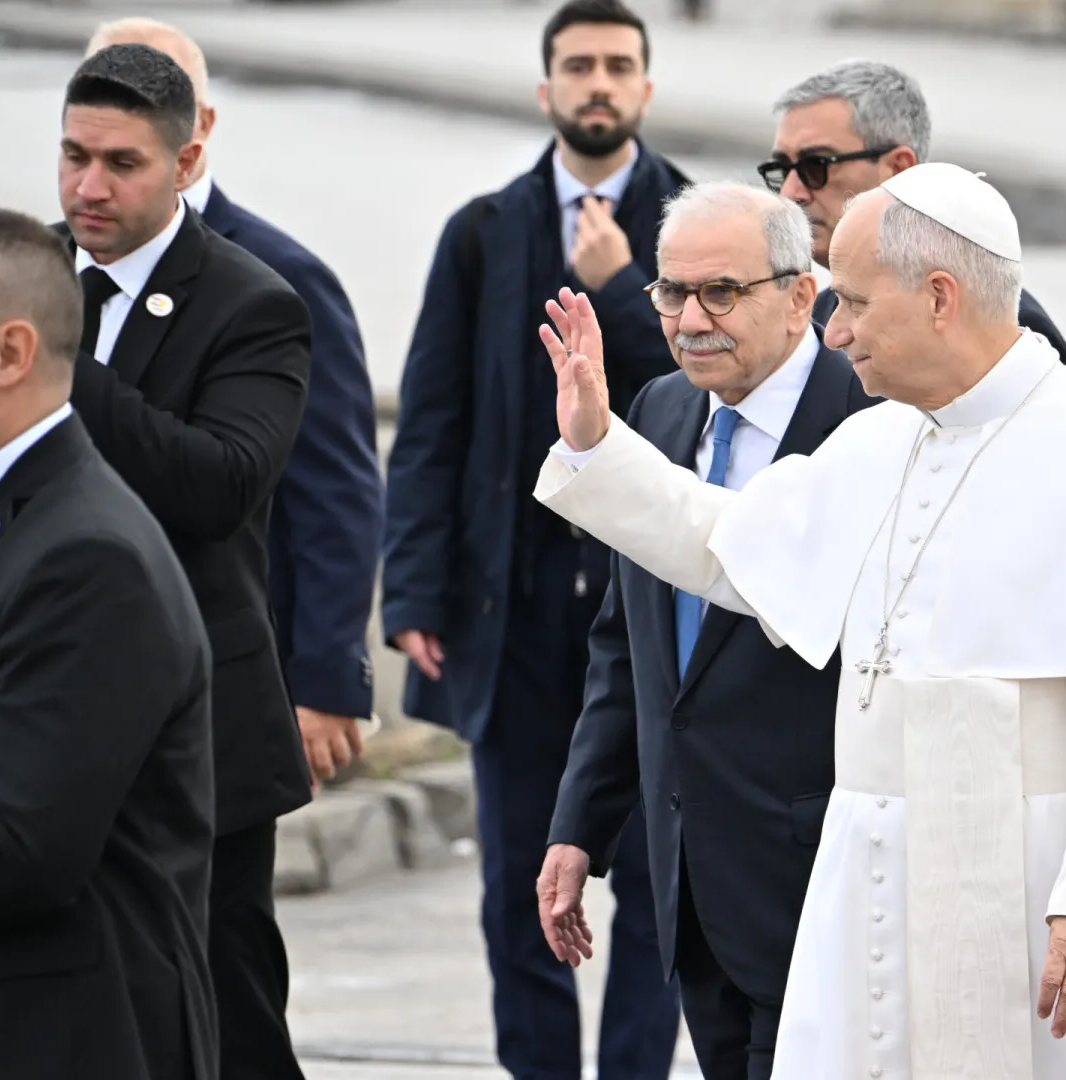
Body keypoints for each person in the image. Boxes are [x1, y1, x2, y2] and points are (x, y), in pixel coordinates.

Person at [533, 162, 1066, 1078]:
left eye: (852, 301)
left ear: (939, 297)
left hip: (1036, 889)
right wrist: (599, 445)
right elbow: (733, 547)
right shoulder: (885, 435)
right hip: (874, 880)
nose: (836, 328)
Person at [379, 1, 682, 1075]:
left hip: (647, 614)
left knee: (653, 886)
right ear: (544, 88)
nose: (598, 83)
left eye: (617, 66)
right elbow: (434, 420)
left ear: (646, 88)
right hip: (509, 614)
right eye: (577, 66)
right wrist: (413, 592)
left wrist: (619, 291)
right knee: (519, 886)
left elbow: (704, 399)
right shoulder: (484, 229)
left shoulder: (692, 225)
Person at [536, 182, 876, 1080]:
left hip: (823, 881)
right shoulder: (654, 411)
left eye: (720, 292)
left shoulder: (869, 425)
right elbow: (627, 649)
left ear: (803, 294)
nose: (690, 319)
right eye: (670, 292)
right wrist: (580, 825)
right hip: (690, 880)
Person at [57, 44, 316, 1080]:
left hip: (198, 738)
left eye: (120, 162)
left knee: (224, 1015)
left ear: (186, 156)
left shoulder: (256, 304)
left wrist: (52, 358)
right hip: (38, 721)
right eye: (72, 155)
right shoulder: (12, 281)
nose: (87, 186)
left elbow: (219, 485)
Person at [86, 18, 385, 789]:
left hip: (224, 661)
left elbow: (336, 489)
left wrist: (325, 679)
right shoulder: (47, 264)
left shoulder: (280, 277)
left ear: (201, 127)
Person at [0, 206, 215, 1080]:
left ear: (9, 353)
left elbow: (23, 849)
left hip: (60, 1036)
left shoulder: (86, 557)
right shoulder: (8, 521)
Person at [764, 59, 1066, 370]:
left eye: (815, 166)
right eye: (782, 169)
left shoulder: (1002, 327)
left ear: (898, 168)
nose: (791, 192)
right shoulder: (816, 316)